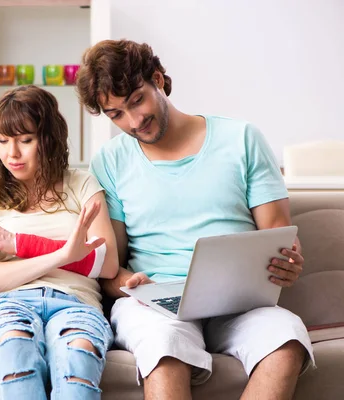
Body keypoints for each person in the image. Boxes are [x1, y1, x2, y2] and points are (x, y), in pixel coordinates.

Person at [75, 39, 315, 399]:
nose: (134, 120)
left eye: (138, 99)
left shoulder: (241, 139)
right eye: (116, 114)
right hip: (157, 305)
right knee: (164, 347)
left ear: (157, 79)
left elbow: (279, 234)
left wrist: (288, 261)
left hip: (241, 301)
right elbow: (110, 267)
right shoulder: (109, 161)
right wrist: (130, 283)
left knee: (288, 340)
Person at [0, 85, 119, 400]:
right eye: (3, 141)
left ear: (48, 139)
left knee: (78, 357)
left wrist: (19, 244)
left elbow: (108, 263)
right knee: (14, 348)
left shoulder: (82, 184)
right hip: (7, 303)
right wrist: (64, 254)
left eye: (25, 140)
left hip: (75, 303)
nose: (12, 154)